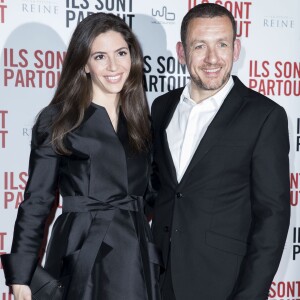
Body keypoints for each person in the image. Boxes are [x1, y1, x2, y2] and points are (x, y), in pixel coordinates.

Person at [1, 12, 162, 300]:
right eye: (100, 56)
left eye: (121, 53)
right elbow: (37, 200)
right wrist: (22, 273)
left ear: (133, 57)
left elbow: (152, 190)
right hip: (82, 246)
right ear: (84, 64)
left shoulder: (142, 121)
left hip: (135, 254)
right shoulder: (59, 119)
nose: (114, 66)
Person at [149, 3, 290, 300]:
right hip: (157, 279)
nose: (212, 58)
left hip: (223, 285)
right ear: (182, 51)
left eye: (222, 44)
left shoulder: (264, 116)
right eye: (200, 46)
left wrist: (250, 295)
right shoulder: (162, 107)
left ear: (236, 49)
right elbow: (158, 190)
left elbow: (272, 217)